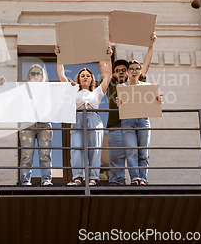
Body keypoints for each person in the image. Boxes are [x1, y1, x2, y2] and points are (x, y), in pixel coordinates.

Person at [55, 46, 112, 186]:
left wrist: (108, 57)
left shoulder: (98, 92)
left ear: (92, 79)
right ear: (78, 79)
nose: (85, 77)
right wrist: (59, 56)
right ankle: (77, 178)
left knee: (95, 148)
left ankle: (92, 178)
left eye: (88, 75)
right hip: (78, 118)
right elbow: (62, 75)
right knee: (76, 149)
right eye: (82, 75)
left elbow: (108, 76)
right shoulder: (73, 90)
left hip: (94, 118)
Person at [107, 33, 157, 186]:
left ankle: (140, 179)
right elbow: (106, 69)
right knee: (121, 156)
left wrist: (151, 45)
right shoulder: (112, 84)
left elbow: (146, 64)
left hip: (137, 121)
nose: (121, 72)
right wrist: (107, 54)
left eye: (124, 70)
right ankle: (119, 183)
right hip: (118, 126)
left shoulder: (137, 81)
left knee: (140, 153)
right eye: (118, 70)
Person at [117, 58, 161, 186]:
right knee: (131, 151)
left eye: (137, 69)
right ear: (127, 72)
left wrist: (158, 100)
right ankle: (135, 178)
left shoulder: (147, 87)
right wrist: (118, 103)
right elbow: (120, 105)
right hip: (128, 121)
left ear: (141, 71)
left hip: (143, 120)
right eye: (131, 69)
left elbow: (154, 103)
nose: (134, 71)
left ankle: (143, 179)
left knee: (143, 152)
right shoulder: (122, 87)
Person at [19, 64, 53, 186]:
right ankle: (25, 181)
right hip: (27, 125)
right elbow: (10, 94)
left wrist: (69, 86)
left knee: (45, 154)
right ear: (29, 75)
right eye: (33, 73)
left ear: (42, 76)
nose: (35, 76)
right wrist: (3, 83)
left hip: (44, 125)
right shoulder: (23, 88)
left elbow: (61, 98)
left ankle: (46, 180)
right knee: (27, 155)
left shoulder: (49, 89)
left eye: (38, 73)